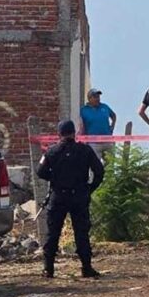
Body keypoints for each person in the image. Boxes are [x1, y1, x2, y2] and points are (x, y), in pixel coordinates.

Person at [37, 119, 105, 279]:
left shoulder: (51, 151)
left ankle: (49, 269)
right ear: (74, 133)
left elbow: (40, 172)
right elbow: (99, 171)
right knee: (81, 233)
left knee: (53, 233)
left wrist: (54, 178)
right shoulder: (85, 150)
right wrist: (89, 188)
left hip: (58, 195)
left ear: (59, 134)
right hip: (79, 196)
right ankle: (86, 267)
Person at [78, 88, 116, 161]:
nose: (97, 99)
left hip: (107, 141)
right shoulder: (83, 110)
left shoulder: (104, 107)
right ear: (89, 98)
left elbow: (113, 115)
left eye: (98, 97)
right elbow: (80, 125)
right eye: (95, 97)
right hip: (93, 143)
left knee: (110, 165)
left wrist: (112, 127)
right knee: (95, 166)